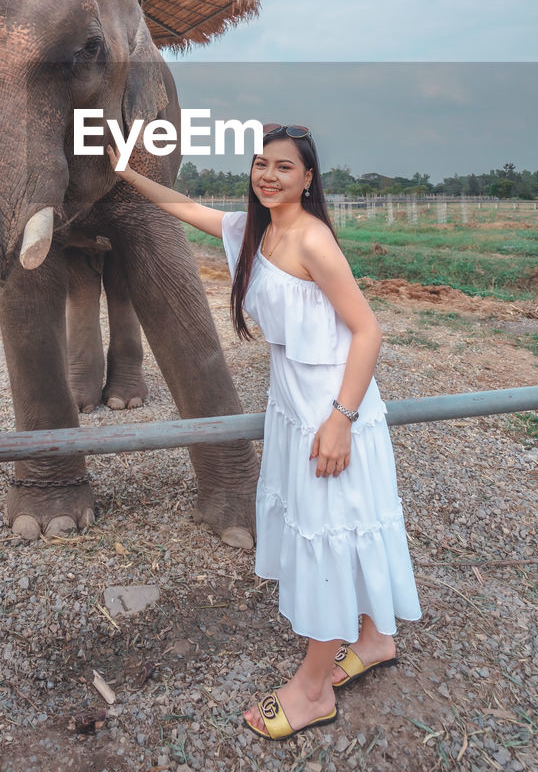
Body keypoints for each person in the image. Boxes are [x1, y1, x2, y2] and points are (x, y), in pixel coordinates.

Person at [107, 123, 421, 741]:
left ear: (308, 179)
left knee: (329, 533)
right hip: (292, 403)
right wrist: (125, 171)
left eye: (284, 167)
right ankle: (376, 638)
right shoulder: (254, 231)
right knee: (340, 525)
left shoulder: (313, 240)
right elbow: (182, 206)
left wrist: (341, 420)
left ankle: (312, 691)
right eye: (260, 164)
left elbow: (368, 331)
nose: (268, 175)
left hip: (331, 408)